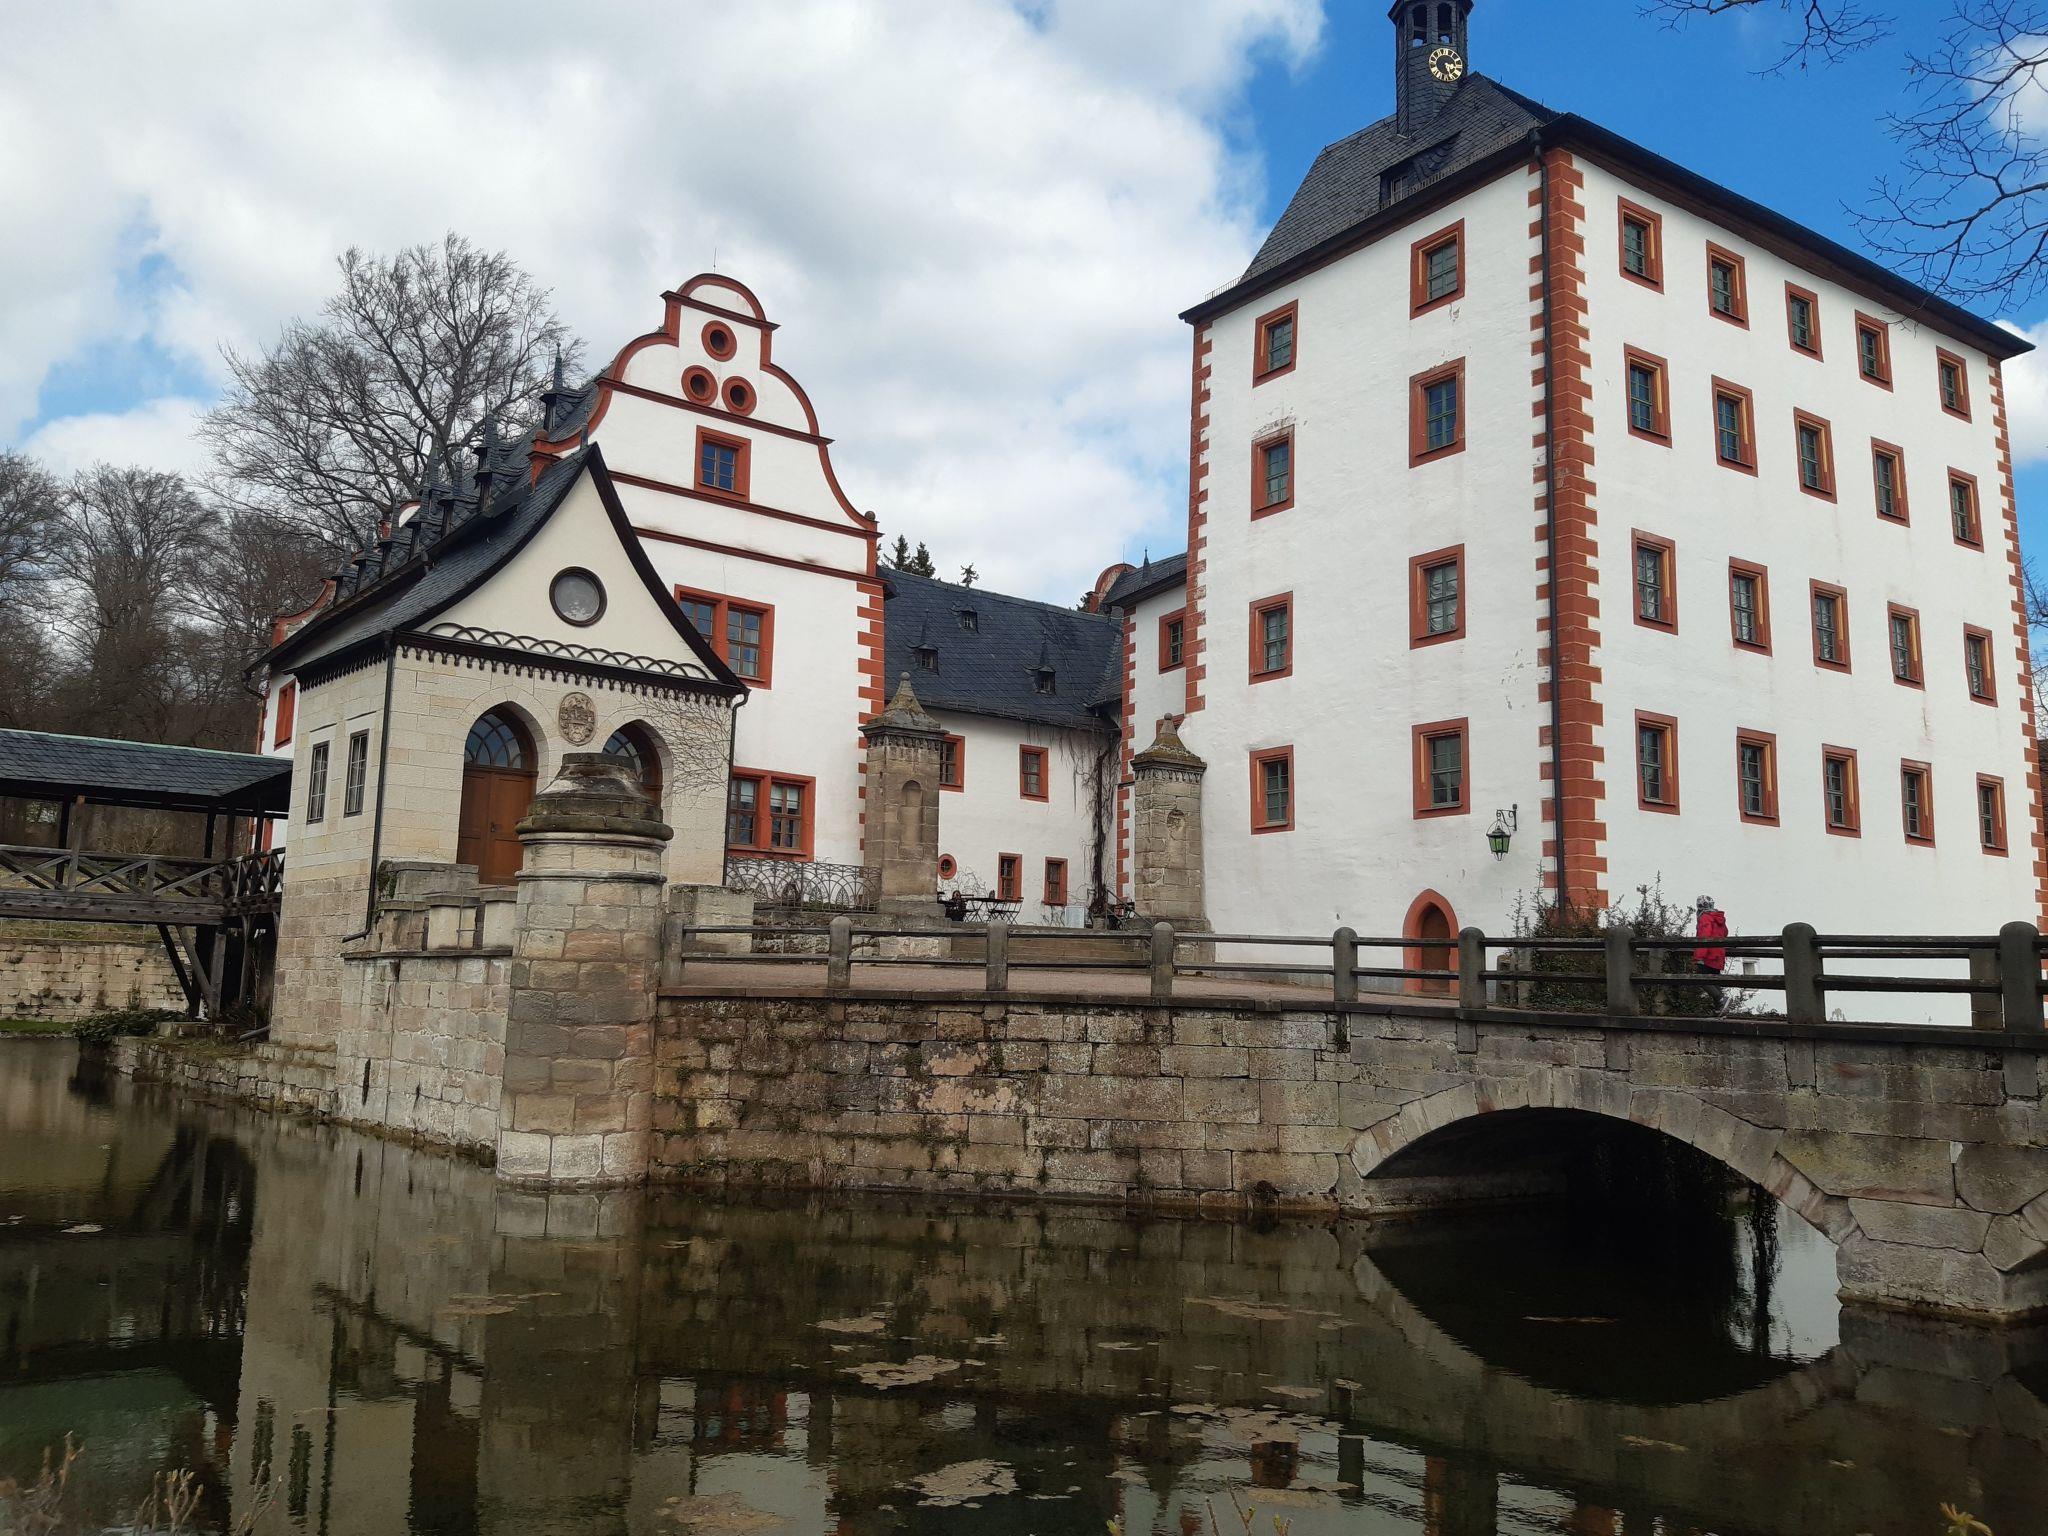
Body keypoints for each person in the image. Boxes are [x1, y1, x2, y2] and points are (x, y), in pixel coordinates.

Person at [1693, 895, 1727, 975]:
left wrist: (1699, 957)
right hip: (1718, 957)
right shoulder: (1719, 918)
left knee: (1703, 979)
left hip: (1707, 957)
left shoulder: (1705, 917)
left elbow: (1704, 937)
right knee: (1714, 980)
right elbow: (1725, 933)